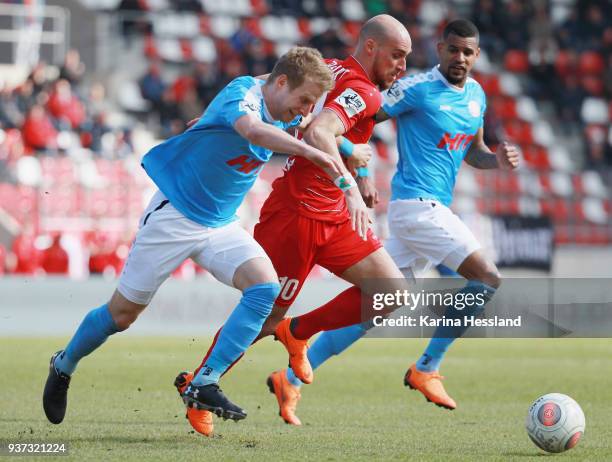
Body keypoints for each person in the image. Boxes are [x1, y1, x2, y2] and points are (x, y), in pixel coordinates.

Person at [42, 46, 354, 426]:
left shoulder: (284, 106)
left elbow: (308, 126)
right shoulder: (243, 95)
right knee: (121, 315)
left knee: (264, 289)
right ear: (282, 82)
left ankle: (204, 382)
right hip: (174, 216)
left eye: (311, 104)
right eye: (304, 100)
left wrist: (350, 148)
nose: (305, 110)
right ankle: (64, 364)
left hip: (219, 224)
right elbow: (253, 130)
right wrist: (313, 154)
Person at [264, 18, 520, 424]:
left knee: (375, 305)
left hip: (426, 213)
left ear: (476, 55)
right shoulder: (415, 88)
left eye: (468, 52)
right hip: (417, 207)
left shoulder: (476, 97)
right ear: (439, 49)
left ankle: (289, 379)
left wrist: (496, 161)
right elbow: (358, 118)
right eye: (453, 49)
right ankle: (427, 367)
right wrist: (357, 170)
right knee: (487, 278)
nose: (460, 58)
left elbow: (475, 152)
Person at [176, 14, 412, 435]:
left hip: (334, 217)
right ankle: (199, 382)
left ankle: (299, 331)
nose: (402, 67)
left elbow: (324, 123)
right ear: (372, 47)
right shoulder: (363, 91)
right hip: (298, 216)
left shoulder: (334, 69)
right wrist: (353, 189)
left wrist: (360, 176)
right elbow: (322, 132)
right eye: (397, 55)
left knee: (390, 292)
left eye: (407, 58)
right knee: (264, 316)